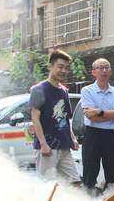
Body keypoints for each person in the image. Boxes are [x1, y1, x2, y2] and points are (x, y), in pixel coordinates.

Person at [29, 49, 81, 184]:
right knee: (47, 186)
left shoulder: (64, 91)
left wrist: (73, 138)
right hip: (48, 147)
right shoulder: (39, 90)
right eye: (60, 67)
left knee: (74, 183)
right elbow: (35, 118)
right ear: (50, 66)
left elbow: (65, 118)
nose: (63, 71)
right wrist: (43, 144)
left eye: (66, 68)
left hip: (64, 146)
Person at [80, 58, 114, 193]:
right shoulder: (87, 91)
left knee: (112, 174)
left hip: (110, 135)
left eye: (106, 67)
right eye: (100, 68)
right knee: (90, 172)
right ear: (94, 72)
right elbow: (90, 117)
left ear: (110, 71)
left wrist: (99, 112)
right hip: (92, 134)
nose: (104, 70)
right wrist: (111, 116)